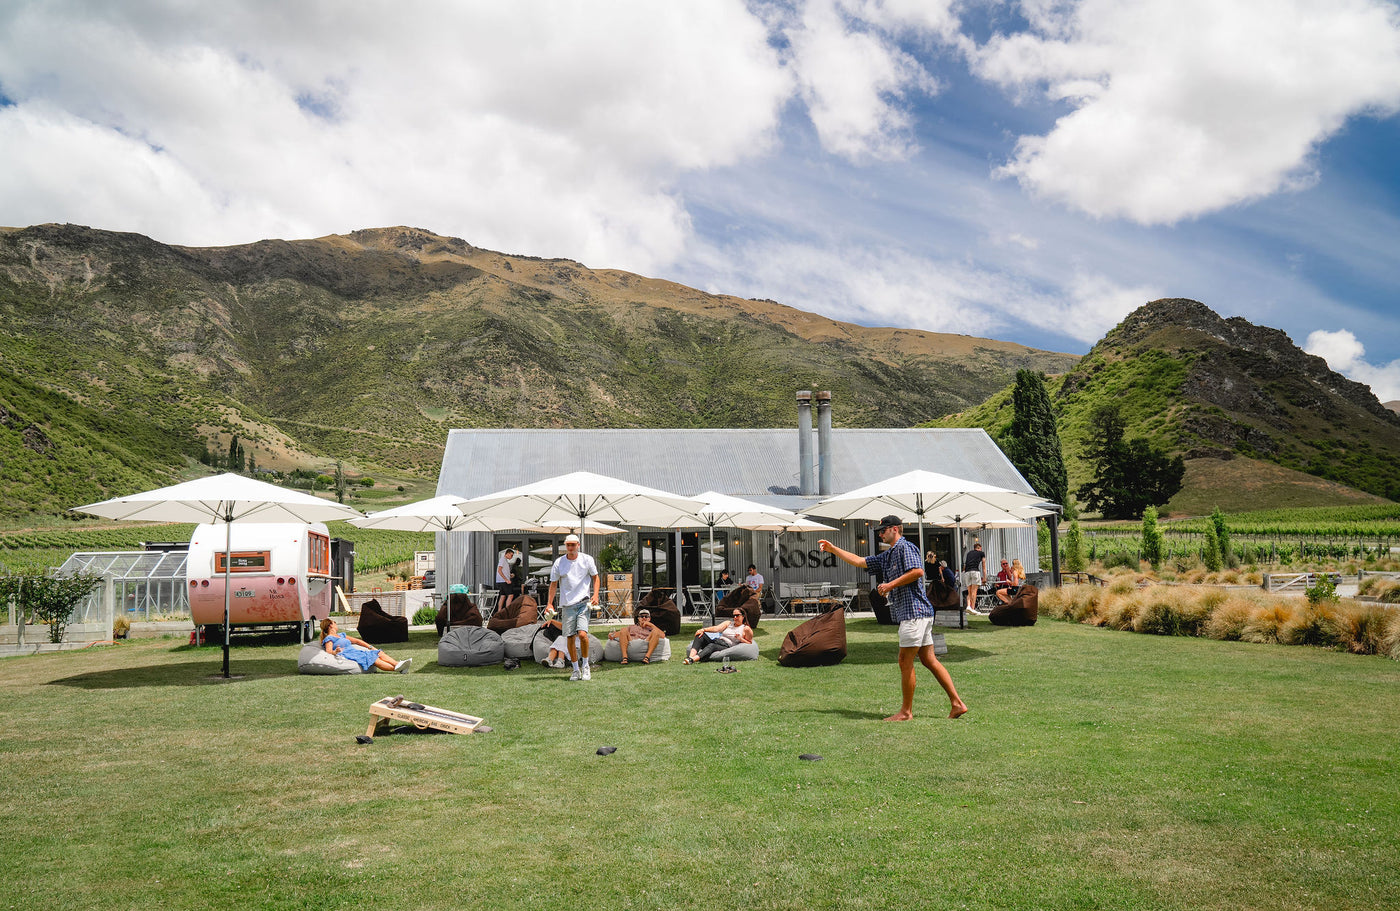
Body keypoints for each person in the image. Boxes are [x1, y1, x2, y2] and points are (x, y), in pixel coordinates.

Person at [820, 516, 967, 721]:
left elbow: (917, 571)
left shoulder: (906, 548)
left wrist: (890, 585)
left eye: (883, 530)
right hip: (918, 613)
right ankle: (957, 703)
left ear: (895, 529)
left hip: (913, 614)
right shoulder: (888, 554)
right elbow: (860, 561)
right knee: (928, 659)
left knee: (904, 661)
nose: (880, 534)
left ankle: (906, 712)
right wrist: (834, 549)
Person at [547, 534, 600, 681]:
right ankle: (576, 669)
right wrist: (549, 603)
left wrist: (595, 595)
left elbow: (596, 578)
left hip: (584, 602)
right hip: (567, 604)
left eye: (573, 545)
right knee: (570, 637)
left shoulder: (587, 559)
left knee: (582, 635)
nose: (570, 548)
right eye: (568, 545)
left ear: (578, 545)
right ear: (566, 546)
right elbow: (553, 584)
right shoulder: (559, 562)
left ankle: (586, 665)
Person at [320, 618, 411, 673]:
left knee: (378, 652)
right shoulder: (329, 638)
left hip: (354, 651)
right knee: (374, 659)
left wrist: (370, 647)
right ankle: (399, 668)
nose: (336, 624)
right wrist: (335, 652)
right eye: (334, 622)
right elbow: (328, 651)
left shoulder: (341, 635)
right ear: (330, 626)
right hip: (348, 654)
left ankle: (398, 664)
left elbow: (357, 641)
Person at [684, 607, 753, 664]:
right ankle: (690, 657)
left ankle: (693, 660)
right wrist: (703, 630)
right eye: (734, 616)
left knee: (712, 646)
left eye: (737, 615)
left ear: (743, 616)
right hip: (717, 641)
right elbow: (716, 628)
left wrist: (740, 639)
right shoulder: (728, 623)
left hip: (727, 646)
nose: (735, 617)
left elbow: (749, 643)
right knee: (701, 635)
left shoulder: (746, 629)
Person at [963, 541, 987, 614]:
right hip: (975, 571)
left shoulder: (969, 553)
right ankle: (973, 608)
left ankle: (968, 606)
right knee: (974, 591)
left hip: (967, 572)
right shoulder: (981, 553)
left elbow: (965, 564)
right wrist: (985, 577)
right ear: (979, 548)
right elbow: (983, 564)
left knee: (969, 591)